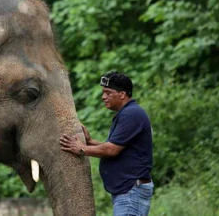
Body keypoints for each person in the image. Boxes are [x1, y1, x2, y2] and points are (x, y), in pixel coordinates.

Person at [60, 71, 153, 216]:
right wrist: (90, 142)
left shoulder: (131, 114)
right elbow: (118, 147)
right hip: (128, 191)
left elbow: (111, 150)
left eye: (108, 93)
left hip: (131, 192)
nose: (103, 97)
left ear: (122, 94)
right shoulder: (127, 113)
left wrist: (82, 149)